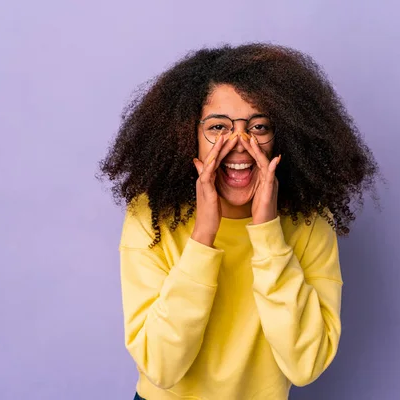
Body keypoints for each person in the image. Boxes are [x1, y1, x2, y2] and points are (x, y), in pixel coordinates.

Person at [100, 43, 379, 400]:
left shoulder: (310, 222)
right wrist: (203, 237)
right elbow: (161, 367)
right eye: (218, 127)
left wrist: (267, 235)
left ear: (282, 138)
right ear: (188, 135)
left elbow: (306, 365)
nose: (239, 144)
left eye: (258, 126)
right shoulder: (150, 217)